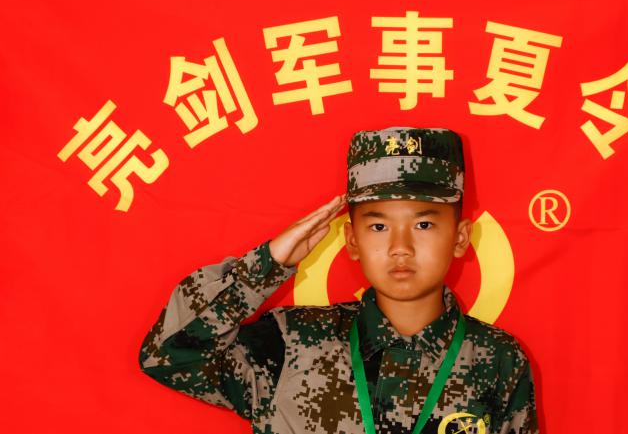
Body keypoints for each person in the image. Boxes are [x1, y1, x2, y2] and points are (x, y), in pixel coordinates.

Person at [138, 127, 538, 434]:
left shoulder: (498, 360)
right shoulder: (290, 342)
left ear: (461, 237)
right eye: (378, 226)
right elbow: (167, 355)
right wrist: (266, 264)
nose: (400, 247)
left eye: (424, 224)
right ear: (352, 240)